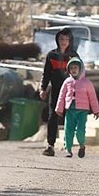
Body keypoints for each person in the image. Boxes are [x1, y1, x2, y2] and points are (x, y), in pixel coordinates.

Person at [39, 27, 78, 156]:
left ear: (70, 40)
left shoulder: (74, 56)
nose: (64, 41)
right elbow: (46, 73)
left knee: (69, 118)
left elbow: (80, 74)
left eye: (67, 39)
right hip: (56, 91)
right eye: (61, 39)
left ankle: (68, 146)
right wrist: (43, 88)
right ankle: (50, 146)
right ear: (57, 39)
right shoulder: (51, 55)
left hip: (70, 92)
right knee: (52, 117)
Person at [55, 57, 99, 158]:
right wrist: (59, 109)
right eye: (71, 68)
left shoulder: (87, 83)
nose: (74, 70)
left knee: (80, 130)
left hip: (82, 111)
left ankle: (82, 145)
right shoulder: (67, 82)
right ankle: (68, 149)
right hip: (70, 109)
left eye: (76, 67)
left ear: (81, 68)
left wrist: (96, 110)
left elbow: (92, 97)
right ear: (69, 70)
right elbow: (61, 96)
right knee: (68, 130)